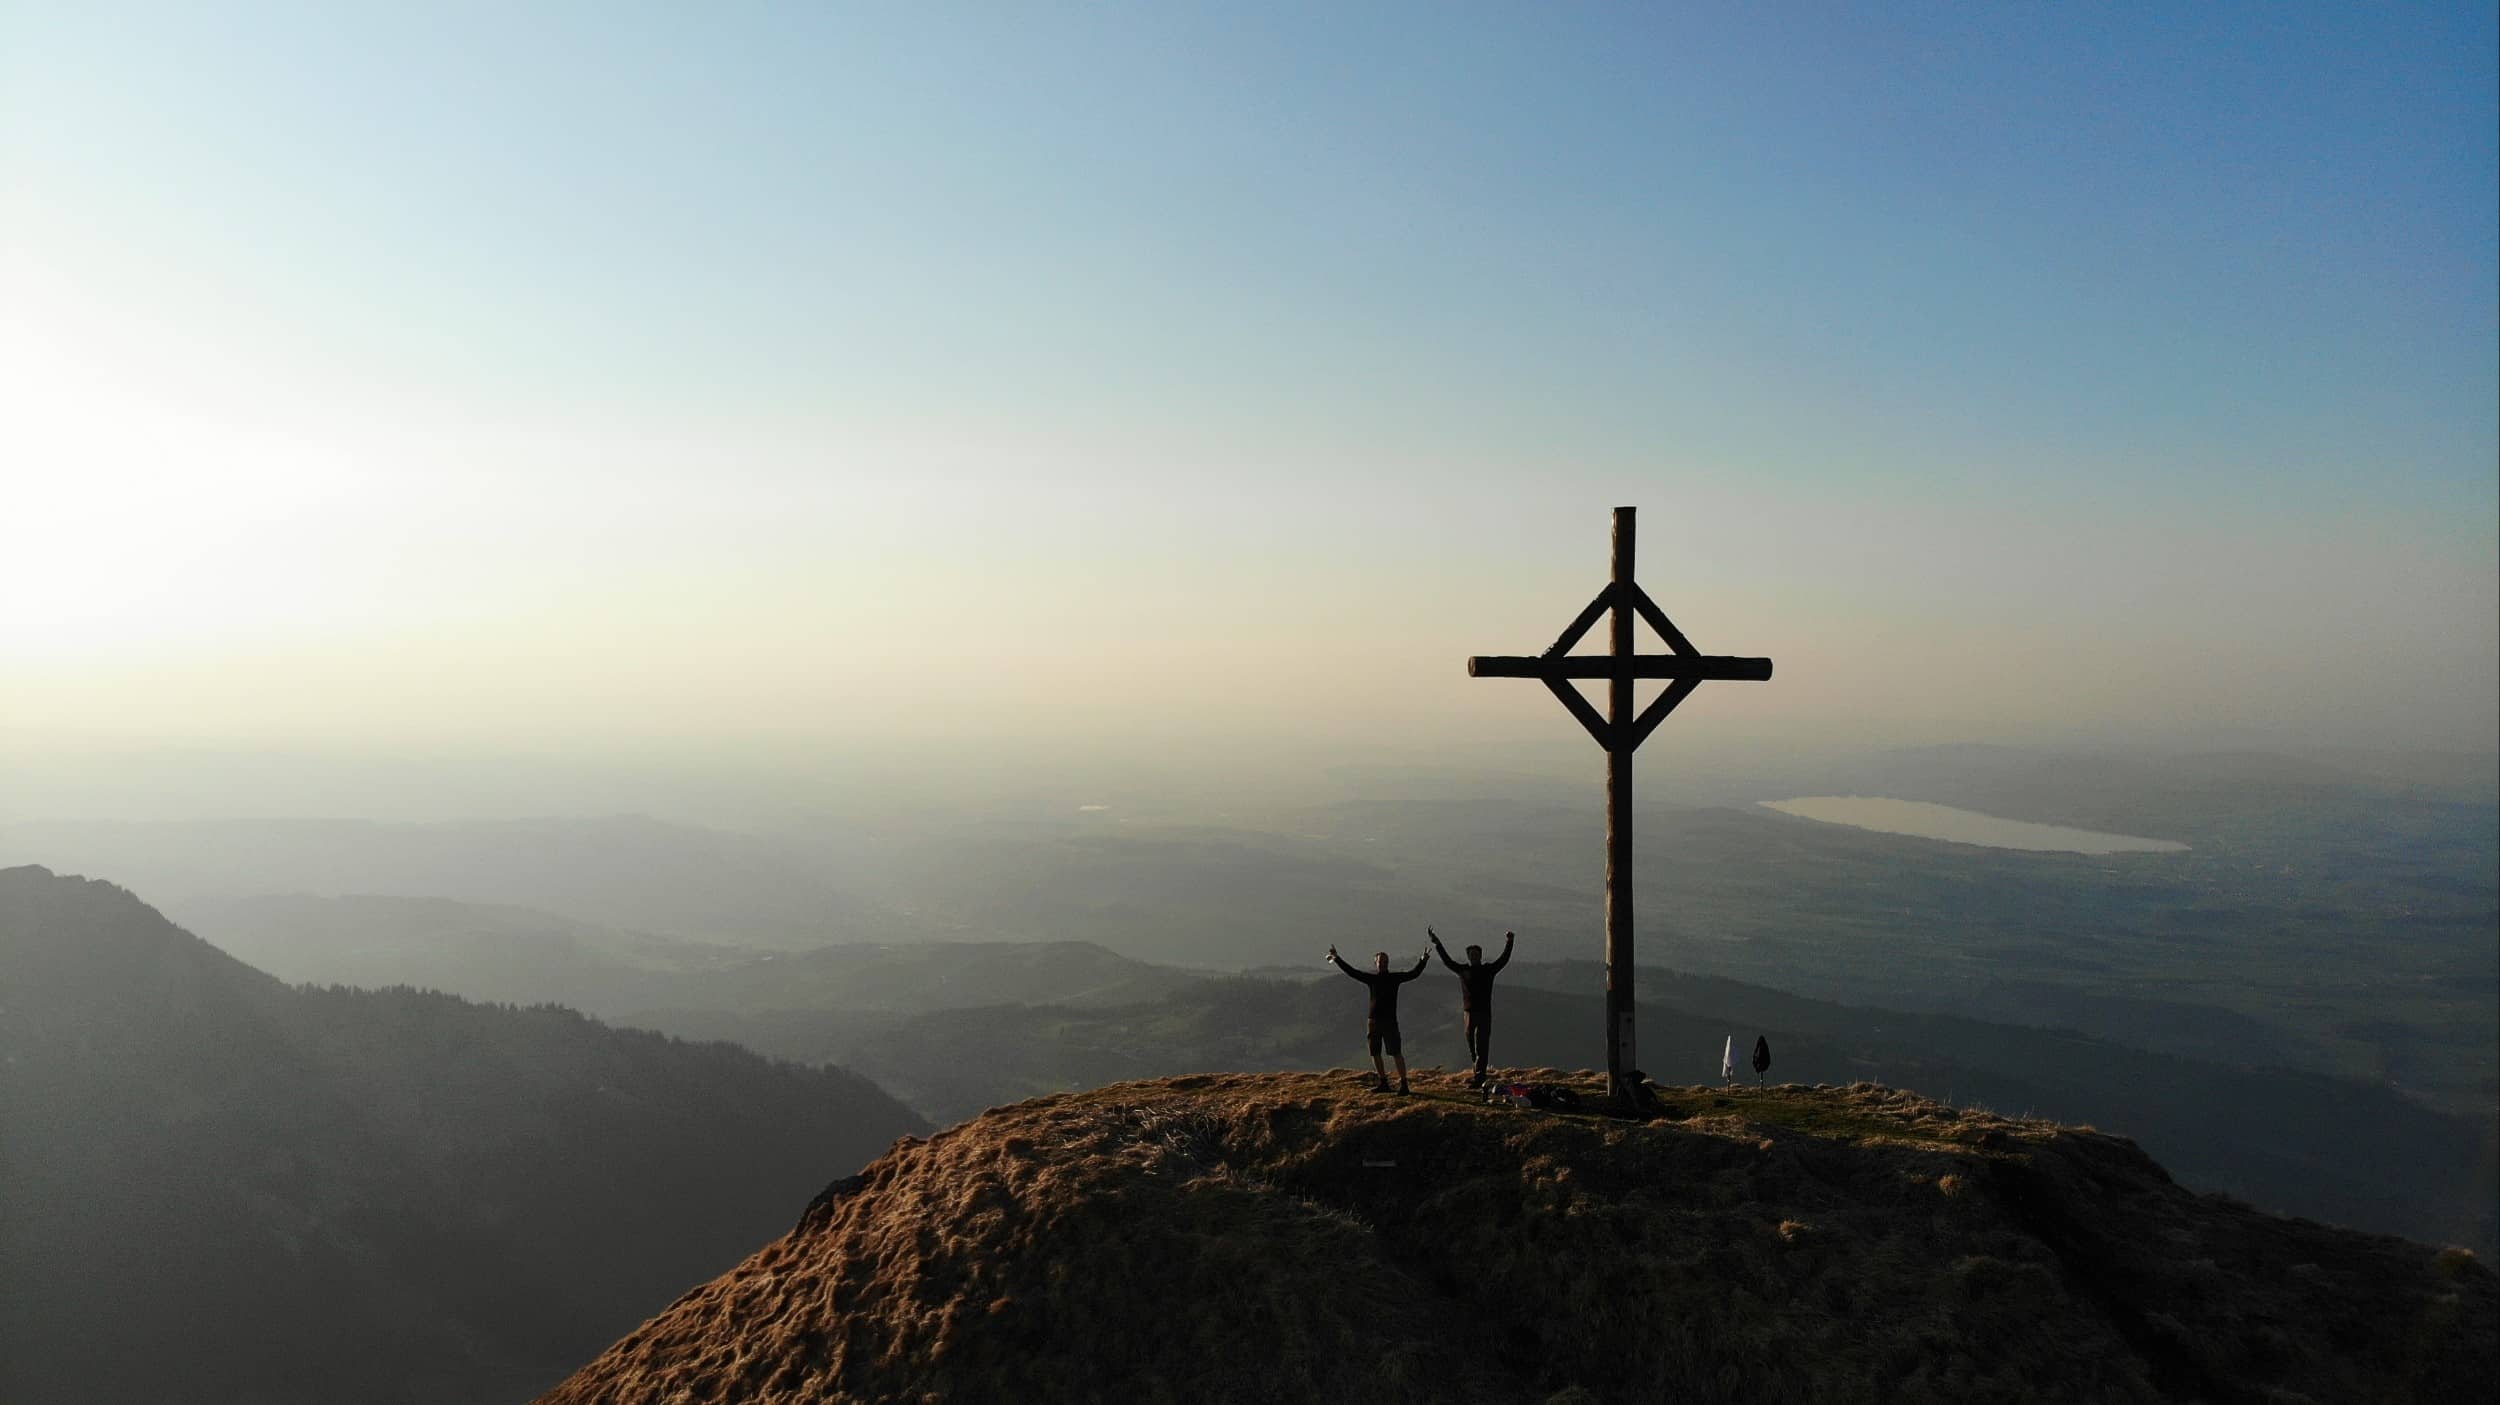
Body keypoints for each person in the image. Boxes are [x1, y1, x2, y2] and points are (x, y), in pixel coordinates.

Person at [1326, 944, 1427, 1092]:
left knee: (1395, 1052)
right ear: (1376, 963)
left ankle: (1404, 1084)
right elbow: (1352, 972)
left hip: (1388, 1021)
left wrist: (1423, 960)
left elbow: (1414, 973)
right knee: (1375, 1052)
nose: (1383, 964)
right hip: (1373, 1021)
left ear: (1387, 963)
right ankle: (1384, 1082)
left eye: (1385, 961)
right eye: (1380, 961)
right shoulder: (1375, 979)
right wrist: (1337, 959)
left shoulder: (1392, 978)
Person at [1428, 927, 1513, 1087]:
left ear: (1480, 956)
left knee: (1481, 1046)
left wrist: (1510, 942)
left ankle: (1479, 1078)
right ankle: (1477, 1074)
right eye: (1471, 954)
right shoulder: (1463, 970)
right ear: (1469, 956)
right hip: (1468, 1014)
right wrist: (1437, 943)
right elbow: (1447, 961)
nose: (1474, 957)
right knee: (1472, 1047)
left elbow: (1503, 960)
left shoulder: (1488, 970)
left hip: (1483, 1014)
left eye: (1476, 954)